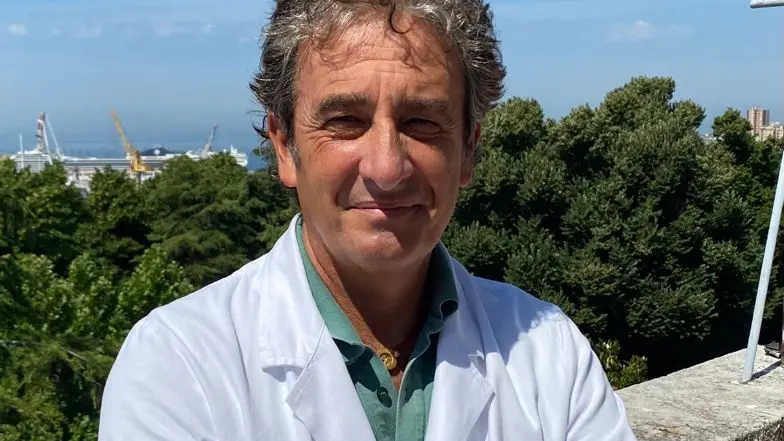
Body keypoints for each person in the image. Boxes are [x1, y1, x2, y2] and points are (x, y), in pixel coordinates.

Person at [97, 0, 637, 440]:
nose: (386, 167)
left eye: (421, 122)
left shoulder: (549, 353)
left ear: (468, 152)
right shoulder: (178, 366)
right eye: (345, 121)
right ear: (284, 147)